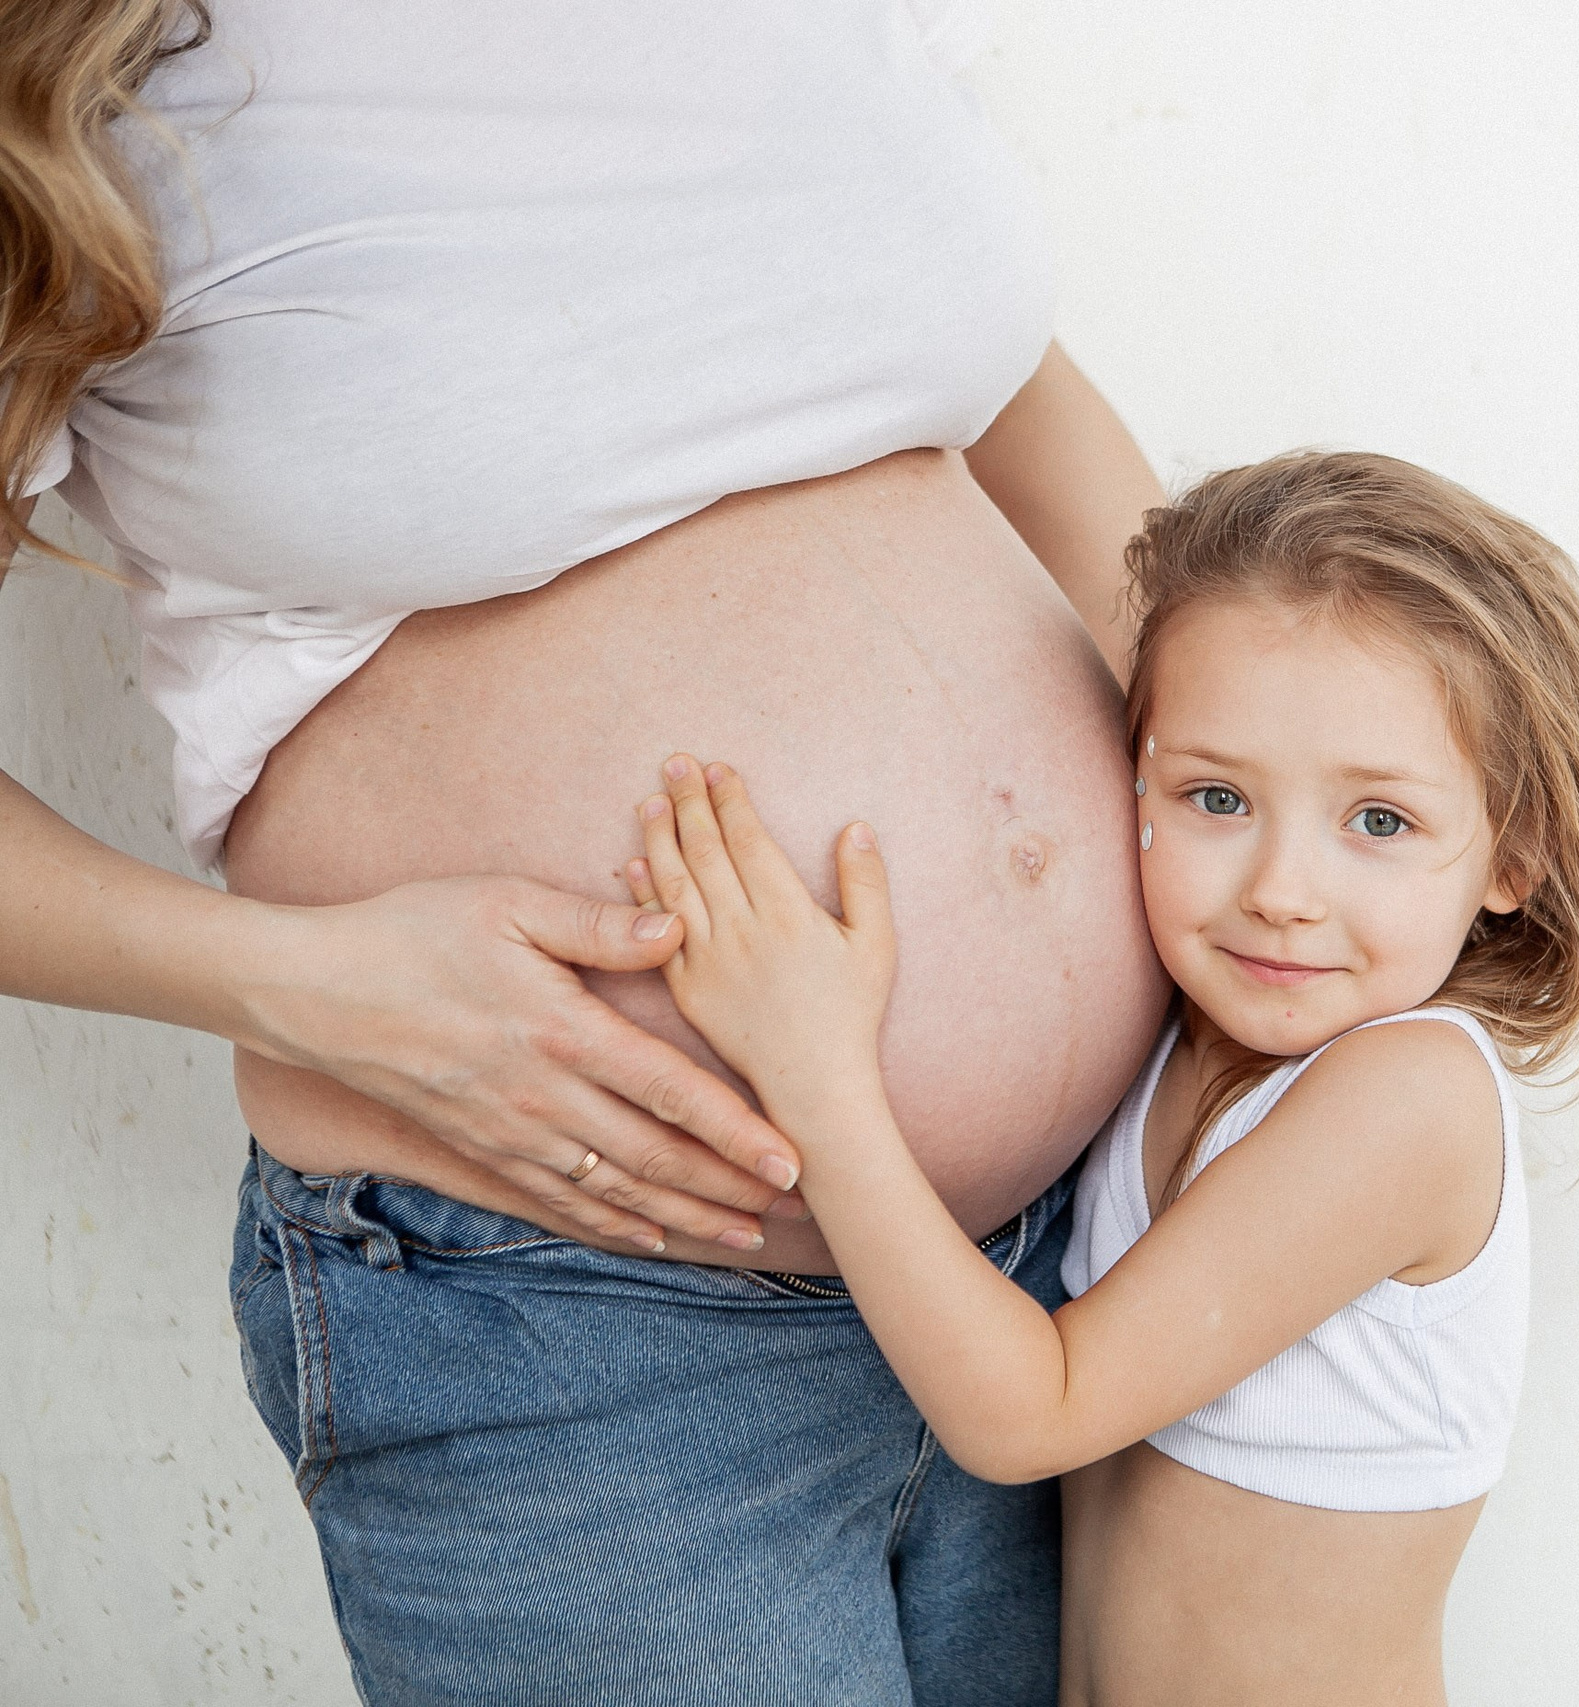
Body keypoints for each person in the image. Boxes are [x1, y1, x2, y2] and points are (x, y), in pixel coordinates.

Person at [2, 0, 1167, 1698]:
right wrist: (308, 983)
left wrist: (1265, 894)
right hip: (568, 1317)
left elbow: (1029, 416)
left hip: (1082, 1257)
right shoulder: (74, 76)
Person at [619, 451, 1579, 1706]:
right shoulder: (1190, 1035)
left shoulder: (1408, 1099)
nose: (1280, 889)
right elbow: (1100, 498)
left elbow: (1028, 1413)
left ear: (1514, 855)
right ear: (1133, 778)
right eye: (1216, 797)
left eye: (1378, 822)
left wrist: (816, 1071)